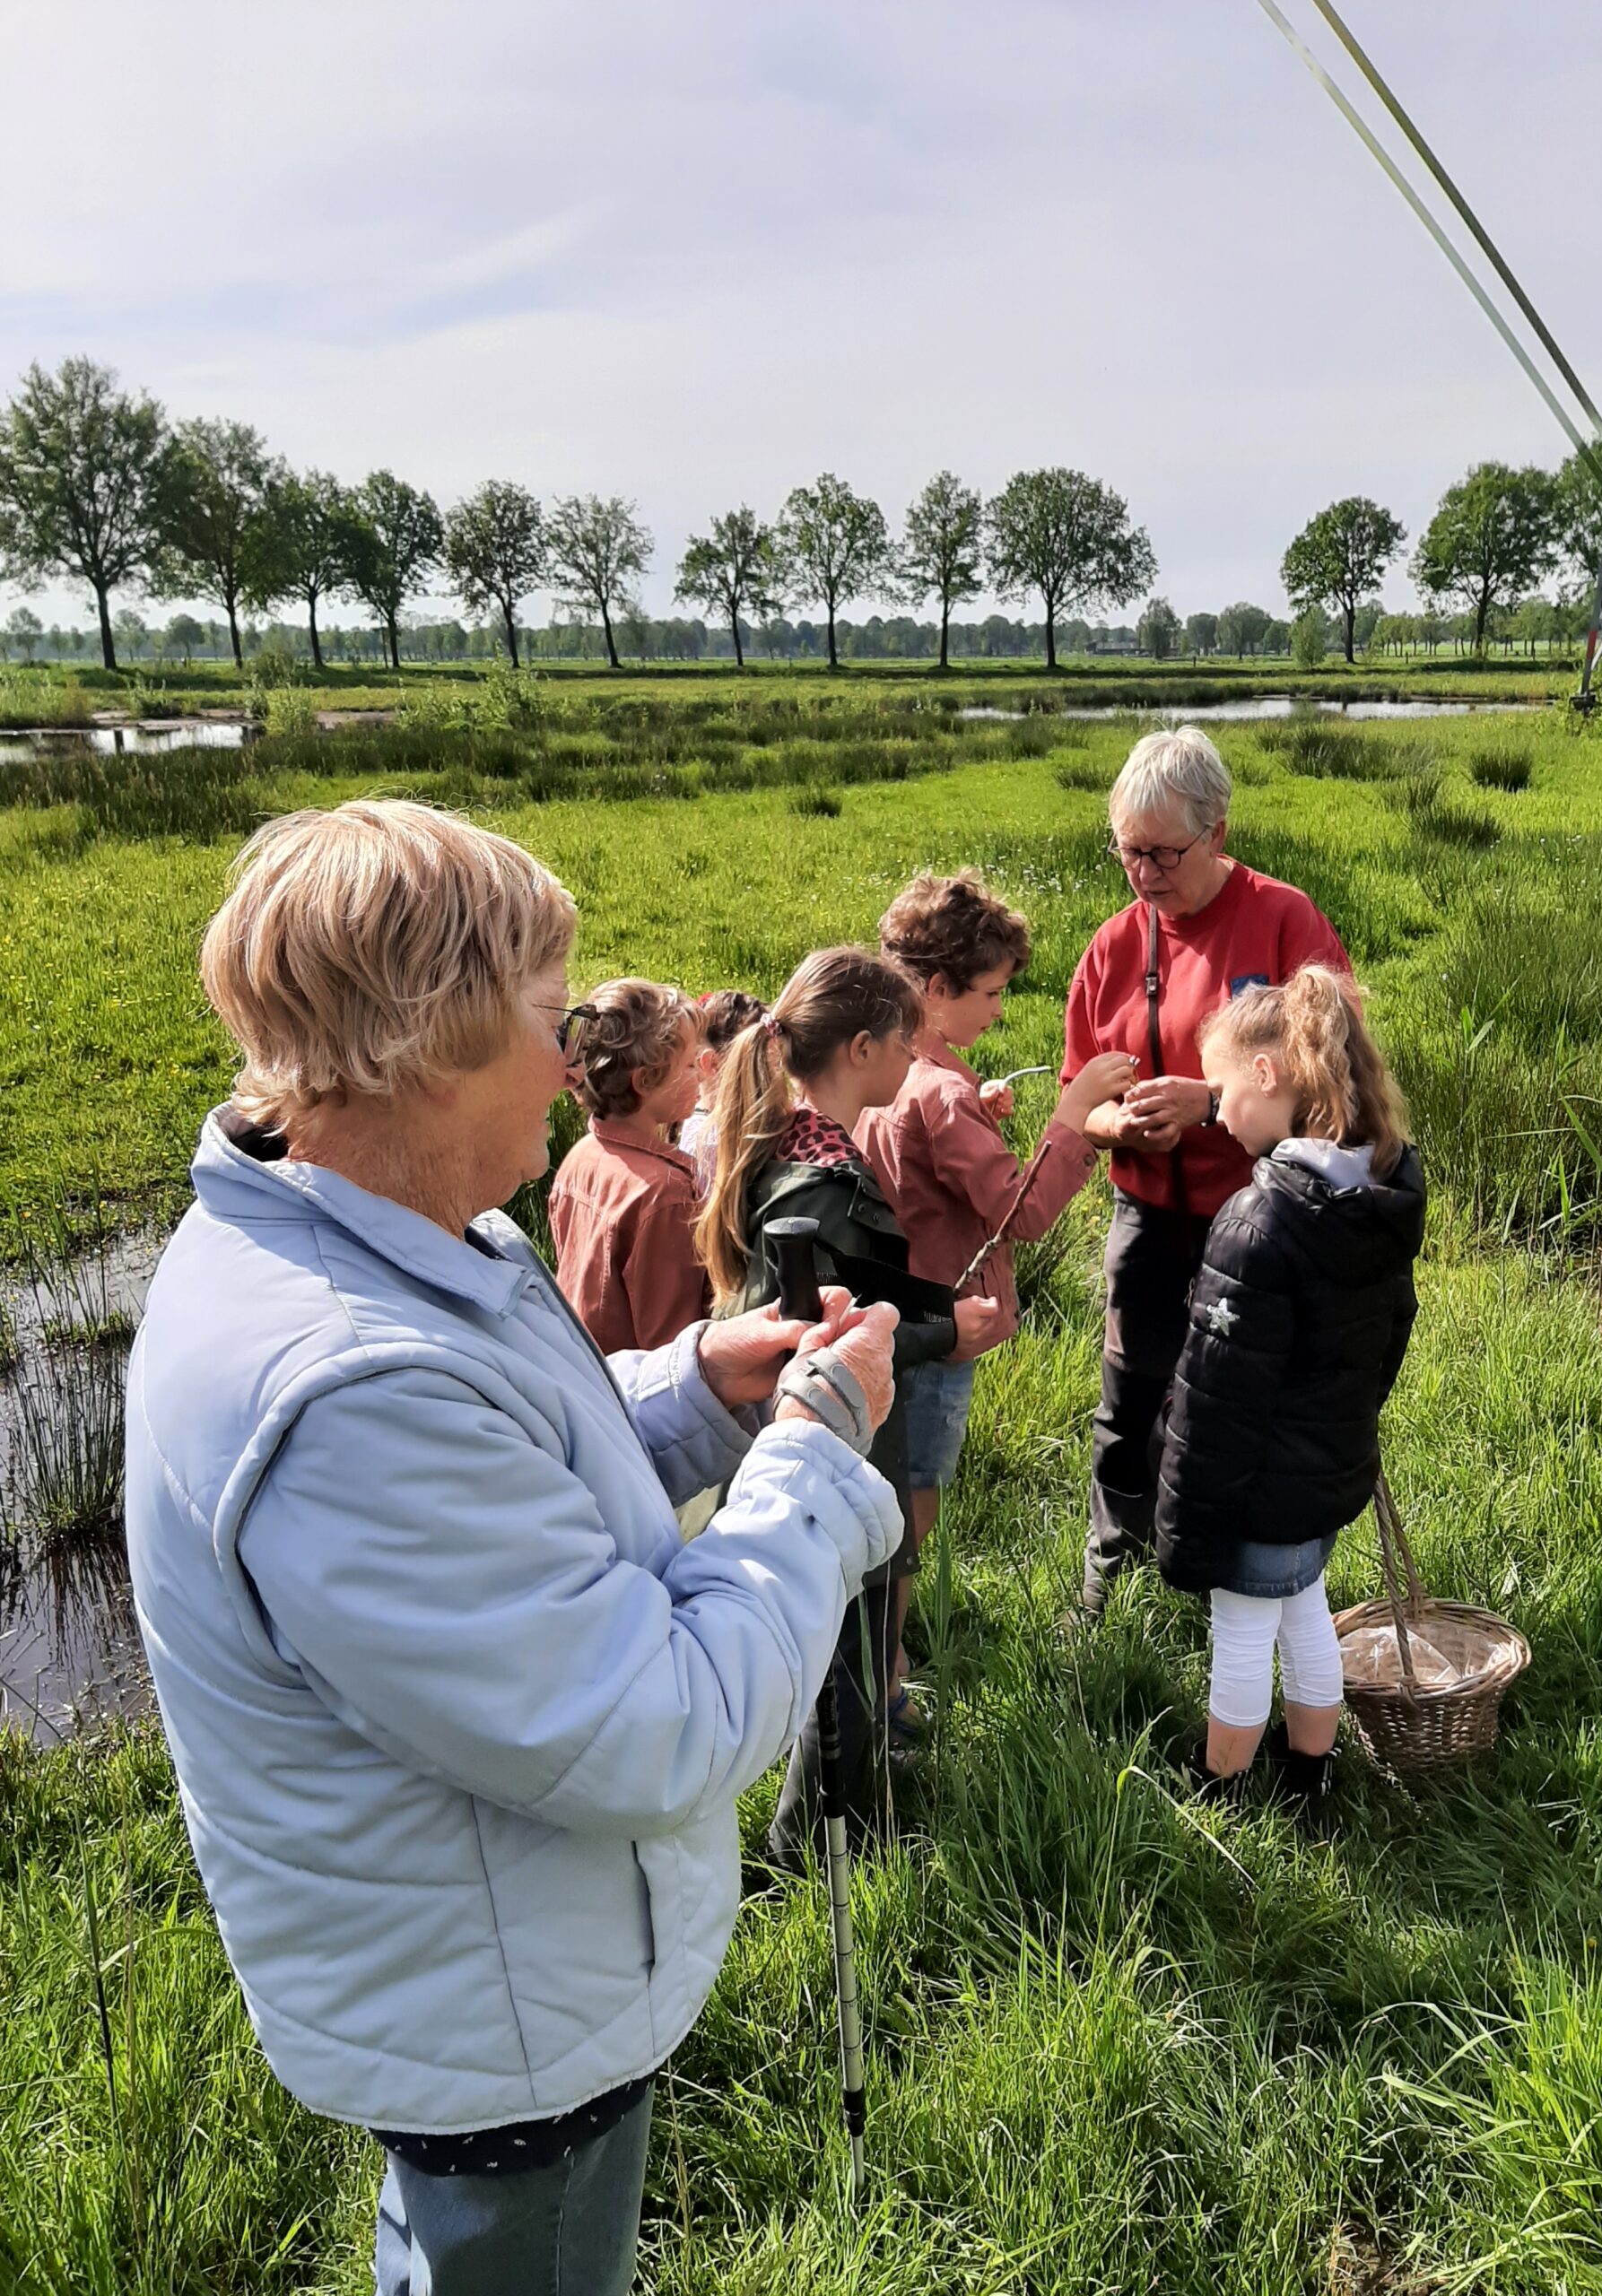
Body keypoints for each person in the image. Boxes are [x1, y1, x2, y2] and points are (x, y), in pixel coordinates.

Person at [126, 800, 907, 2296]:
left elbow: (503, 1461)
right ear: (423, 1048)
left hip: (481, 1968)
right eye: (545, 1022)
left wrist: (691, 1394)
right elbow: (655, 1725)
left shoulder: (372, 1233)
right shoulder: (346, 1391)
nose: (569, 1064)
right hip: (506, 2036)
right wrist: (812, 1457)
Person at [695, 945, 1006, 1857]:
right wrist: (944, 1335)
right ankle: (822, 1846)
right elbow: (818, 1339)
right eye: (906, 1038)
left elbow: (851, 1290)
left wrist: (937, 1310)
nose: (918, 1055)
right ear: (864, 1048)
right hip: (834, 1450)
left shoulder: (795, 1143)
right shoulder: (819, 1188)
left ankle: (837, 1817)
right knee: (849, 1651)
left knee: (848, 1644)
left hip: (818, 1441)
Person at [1063, 725, 1353, 1621]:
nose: (1145, 875)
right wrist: (1119, 1125)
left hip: (1260, 1222)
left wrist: (1211, 1097)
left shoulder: (1284, 920)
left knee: (1235, 1409)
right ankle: (1115, 1582)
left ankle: (1237, 1585)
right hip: (1146, 1214)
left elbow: (1337, 1068)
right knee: (1129, 1402)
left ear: (1218, 832)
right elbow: (1079, 1091)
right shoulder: (1114, 946)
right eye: (1127, 854)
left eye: (1163, 853)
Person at [858, 869, 1136, 1722]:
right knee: (912, 1510)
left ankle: (880, 1653)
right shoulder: (942, 1093)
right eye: (989, 994)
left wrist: (974, 1106)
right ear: (934, 991)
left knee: (887, 1494)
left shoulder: (901, 1069)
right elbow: (1024, 1212)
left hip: (889, 1319)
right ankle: (886, 1677)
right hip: (940, 1336)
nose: (998, 1012)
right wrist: (1077, 1117)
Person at [1155, 966, 1424, 1809]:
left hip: (1258, 1486)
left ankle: (1220, 1788)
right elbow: (1391, 1334)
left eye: (1223, 1089)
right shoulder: (1380, 1192)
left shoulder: (1258, 1220)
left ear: (1267, 1076)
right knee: (1306, 1614)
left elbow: (1216, 1400)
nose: (1219, 1111)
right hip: (1327, 1469)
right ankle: (1308, 1777)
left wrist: (1182, 1519)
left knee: (1240, 1637)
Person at [548, 978, 709, 1352]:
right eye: (688, 1066)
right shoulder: (665, 1192)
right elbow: (672, 1345)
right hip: (638, 1398)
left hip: (586, 1368)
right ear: (646, 1080)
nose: (699, 1075)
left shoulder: (581, 1156)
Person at [679, 989, 767, 1194]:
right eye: (755, 1066)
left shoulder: (701, 1121)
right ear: (712, 1064)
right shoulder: (709, 1143)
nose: (767, 1079)